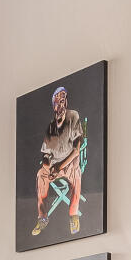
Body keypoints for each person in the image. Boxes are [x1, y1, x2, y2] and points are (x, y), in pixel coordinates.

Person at [33, 86, 88, 238]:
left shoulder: (73, 116)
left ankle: (73, 215)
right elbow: (45, 154)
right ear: (54, 106)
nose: (62, 105)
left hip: (69, 163)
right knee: (40, 175)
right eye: (58, 102)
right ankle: (43, 217)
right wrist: (47, 167)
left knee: (76, 175)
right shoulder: (50, 127)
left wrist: (59, 166)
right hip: (54, 167)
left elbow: (77, 149)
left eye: (63, 101)